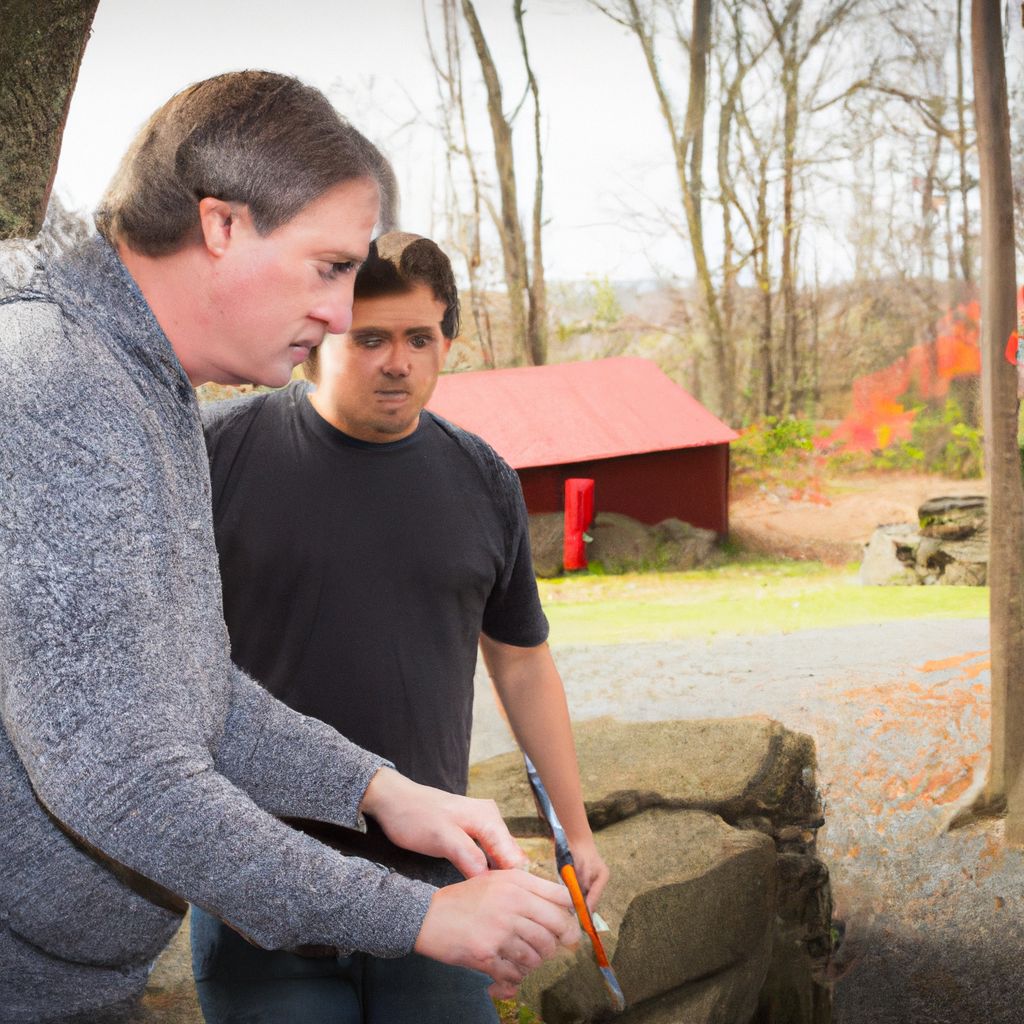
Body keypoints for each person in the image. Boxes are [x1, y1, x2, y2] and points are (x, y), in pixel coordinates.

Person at [0, 72, 577, 1024]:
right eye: (331, 268)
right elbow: (119, 772)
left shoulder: (141, 380)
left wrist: (380, 791)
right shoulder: (59, 383)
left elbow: (191, 686)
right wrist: (421, 917)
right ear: (222, 225)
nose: (346, 318)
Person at [193, 231, 608, 1022]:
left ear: (446, 339)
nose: (398, 361)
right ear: (319, 335)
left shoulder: (482, 478)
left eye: (420, 338)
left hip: (441, 885)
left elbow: (521, 663)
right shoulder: (218, 457)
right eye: (371, 337)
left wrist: (575, 833)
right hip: (266, 889)